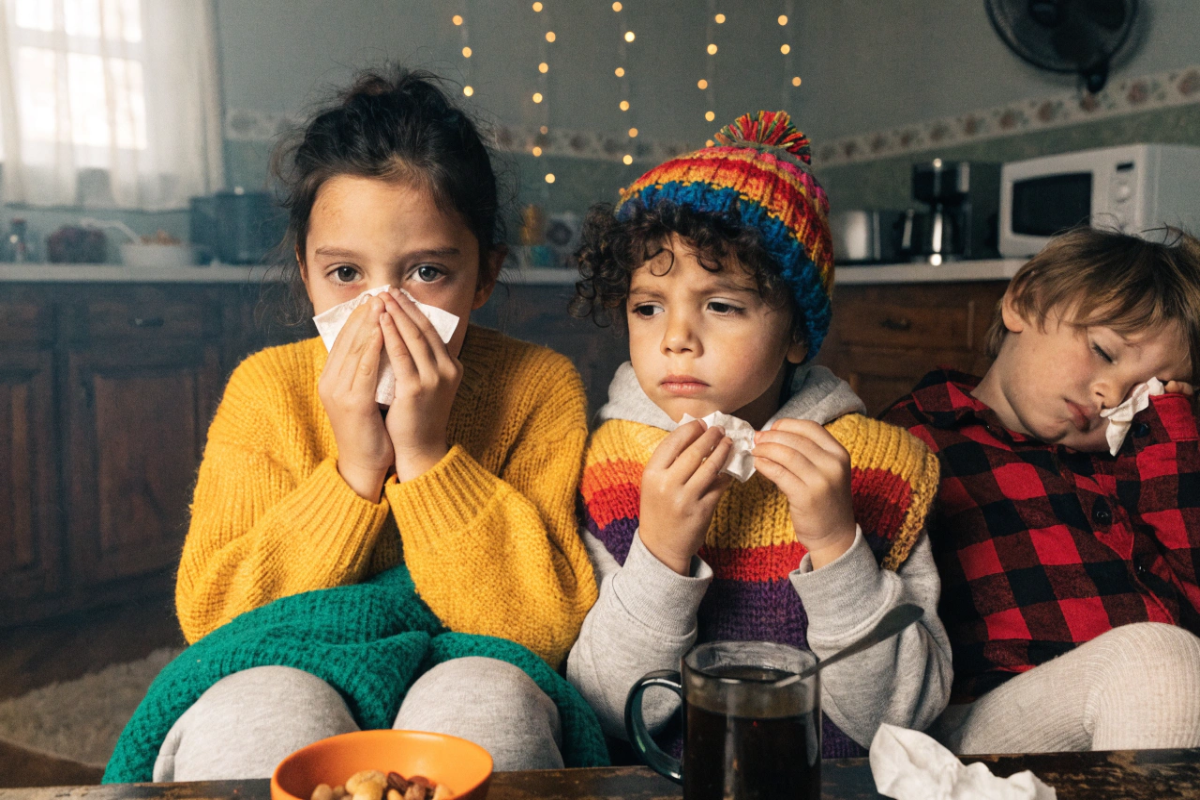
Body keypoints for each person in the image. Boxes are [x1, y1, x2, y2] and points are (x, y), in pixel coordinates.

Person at [137, 67, 599, 779]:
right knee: (252, 717)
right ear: (305, 272)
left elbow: (541, 628)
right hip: (283, 656)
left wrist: (425, 454)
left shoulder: (538, 387)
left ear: (484, 276)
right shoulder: (267, 389)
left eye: (425, 274)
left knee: (491, 707)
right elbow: (216, 618)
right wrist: (354, 473)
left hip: (469, 657)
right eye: (346, 275)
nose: (383, 310)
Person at [564, 111, 952, 758]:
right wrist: (659, 551)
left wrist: (835, 543)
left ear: (797, 333)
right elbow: (605, 707)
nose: (676, 337)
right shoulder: (613, 467)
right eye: (647, 307)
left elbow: (903, 719)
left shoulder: (882, 468)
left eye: (721, 305)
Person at [882, 225, 1200, 754]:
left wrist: (1168, 430)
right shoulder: (910, 442)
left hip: (1155, 722)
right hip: (989, 721)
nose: (1110, 393)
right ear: (1025, 300)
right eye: (1102, 350)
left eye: (1148, 390)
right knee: (1156, 659)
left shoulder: (1147, 467)